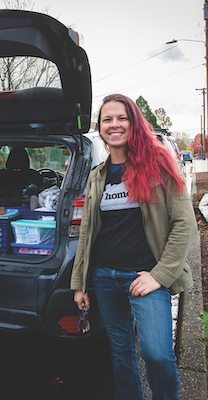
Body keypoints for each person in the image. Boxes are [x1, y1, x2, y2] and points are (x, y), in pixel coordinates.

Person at [70, 94, 197, 400]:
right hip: (104, 276)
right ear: (100, 127)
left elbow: (184, 224)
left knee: (157, 355)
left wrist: (159, 275)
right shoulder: (97, 176)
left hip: (146, 276)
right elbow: (87, 232)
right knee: (121, 351)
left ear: (134, 123)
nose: (114, 125)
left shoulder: (159, 166)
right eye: (107, 119)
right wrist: (80, 284)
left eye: (122, 118)